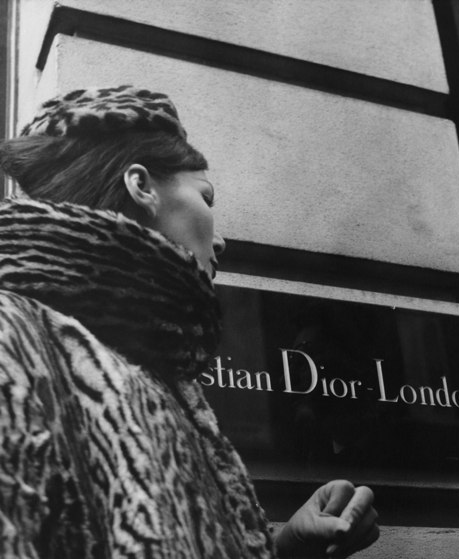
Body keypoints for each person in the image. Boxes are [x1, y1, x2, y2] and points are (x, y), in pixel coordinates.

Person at [0, 86, 378, 558]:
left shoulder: (163, 377)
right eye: (206, 197)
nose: (220, 242)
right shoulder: (11, 335)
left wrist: (286, 550)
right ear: (141, 187)